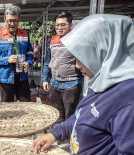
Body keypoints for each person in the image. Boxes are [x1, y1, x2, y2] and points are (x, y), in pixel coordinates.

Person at [32, 14, 134, 155]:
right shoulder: (100, 81)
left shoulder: (127, 102)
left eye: (83, 57)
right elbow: (81, 115)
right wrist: (55, 133)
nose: (77, 65)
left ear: (104, 52)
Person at [42, 11, 83, 123]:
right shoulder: (52, 40)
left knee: (70, 115)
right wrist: (45, 79)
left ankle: (70, 139)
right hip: (54, 83)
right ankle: (59, 139)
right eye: (57, 25)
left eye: (63, 25)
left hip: (71, 84)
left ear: (71, 25)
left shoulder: (76, 40)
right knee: (57, 115)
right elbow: (47, 60)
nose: (59, 28)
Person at [0, 5, 33, 102]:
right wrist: (6, 59)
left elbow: (30, 52)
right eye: (9, 21)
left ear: (19, 20)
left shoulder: (25, 34)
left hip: (22, 77)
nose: (12, 23)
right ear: (5, 19)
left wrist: (28, 62)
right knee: (7, 108)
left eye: (15, 20)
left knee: (26, 105)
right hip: (5, 78)